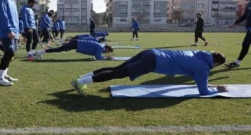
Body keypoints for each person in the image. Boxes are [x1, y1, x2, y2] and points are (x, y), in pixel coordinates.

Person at [72, 49, 227, 96]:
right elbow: (203, 91)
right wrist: (217, 89)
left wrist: (207, 83)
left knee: (116, 69)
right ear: (216, 63)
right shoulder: (203, 67)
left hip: (150, 53)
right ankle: (81, 82)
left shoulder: (198, 54)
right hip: (153, 61)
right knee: (118, 73)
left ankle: (80, 78)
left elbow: (199, 78)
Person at [0, 0, 24, 86]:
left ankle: (4, 74)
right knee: (9, 52)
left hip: (13, 31)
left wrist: (18, 32)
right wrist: (9, 30)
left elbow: (14, 18)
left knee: (12, 53)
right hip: (6, 31)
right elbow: (3, 15)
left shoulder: (12, 0)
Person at [227, 0, 251, 67]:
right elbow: (244, 16)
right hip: (249, 28)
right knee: (245, 45)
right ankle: (237, 62)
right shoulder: (248, 5)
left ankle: (237, 62)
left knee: (245, 44)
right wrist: (234, 23)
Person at [35, 40, 113, 60]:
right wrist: (107, 58)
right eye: (108, 52)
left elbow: (95, 55)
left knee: (59, 49)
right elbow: (98, 57)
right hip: (76, 44)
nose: (106, 53)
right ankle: (40, 52)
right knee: (59, 50)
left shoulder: (101, 46)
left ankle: (41, 52)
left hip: (76, 43)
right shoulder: (101, 47)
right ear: (107, 49)